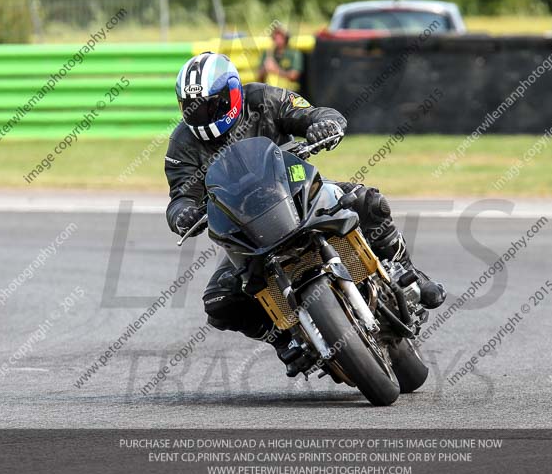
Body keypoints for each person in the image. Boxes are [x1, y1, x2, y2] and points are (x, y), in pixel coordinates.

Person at [165, 52, 445, 368]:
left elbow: (311, 113)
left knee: (369, 203)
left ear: (231, 93)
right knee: (219, 302)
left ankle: (403, 269)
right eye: (192, 106)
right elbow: (180, 197)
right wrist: (182, 213)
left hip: (297, 192)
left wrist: (323, 124)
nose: (201, 113)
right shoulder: (182, 144)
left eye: (209, 104)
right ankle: (282, 335)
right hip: (245, 227)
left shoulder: (263, 99)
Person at [257, 24, 303, 90]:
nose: (278, 40)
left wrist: (276, 70)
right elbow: (259, 76)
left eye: (281, 37)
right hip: (269, 90)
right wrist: (265, 68)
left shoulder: (294, 53)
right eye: (275, 37)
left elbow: (294, 76)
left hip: (289, 91)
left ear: (286, 38)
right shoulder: (268, 53)